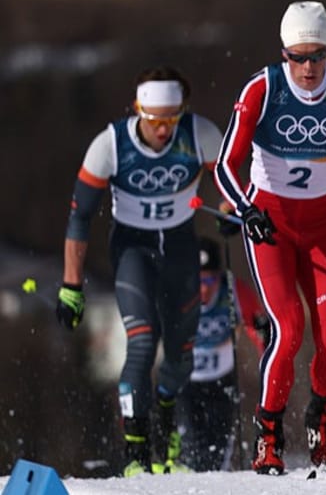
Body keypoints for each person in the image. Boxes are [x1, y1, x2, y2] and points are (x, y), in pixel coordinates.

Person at [215, 1, 326, 475]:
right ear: (284, 55)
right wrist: (247, 209)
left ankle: (319, 421)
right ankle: (269, 433)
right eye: (299, 57)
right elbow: (225, 164)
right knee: (289, 329)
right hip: (271, 226)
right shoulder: (263, 88)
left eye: (317, 55)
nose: (309, 67)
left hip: (322, 227)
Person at [57, 66, 225, 476]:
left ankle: (166, 417)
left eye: (171, 120)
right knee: (143, 341)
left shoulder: (200, 133)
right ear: (138, 112)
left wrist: (231, 211)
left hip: (181, 247)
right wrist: (71, 286)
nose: (164, 130)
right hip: (134, 248)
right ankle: (136, 452)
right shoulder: (110, 144)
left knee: (182, 354)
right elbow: (79, 218)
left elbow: (231, 184)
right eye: (154, 121)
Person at [177, 236, 267, 472]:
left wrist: (268, 365)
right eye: (199, 281)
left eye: (210, 279)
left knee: (217, 455)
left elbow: (258, 328)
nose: (205, 288)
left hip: (222, 382)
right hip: (186, 385)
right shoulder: (179, 292)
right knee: (191, 452)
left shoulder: (233, 290)